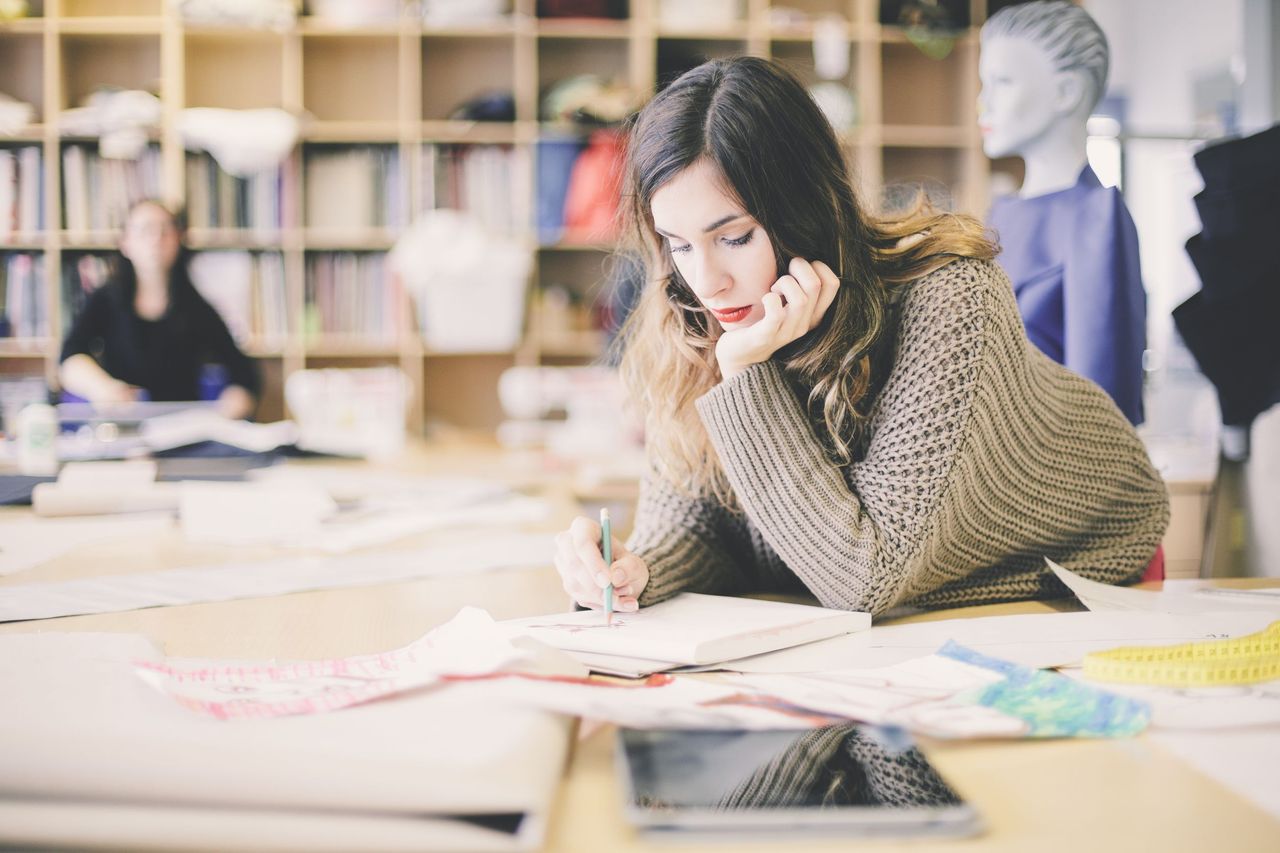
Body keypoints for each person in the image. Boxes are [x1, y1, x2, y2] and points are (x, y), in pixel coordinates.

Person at [553, 56, 1169, 618]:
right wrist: (637, 569)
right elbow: (701, 523)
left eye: (734, 237)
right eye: (679, 244)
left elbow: (863, 579)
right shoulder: (690, 312)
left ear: (804, 210)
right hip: (891, 606)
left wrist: (744, 373)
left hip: (1083, 572)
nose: (706, 280)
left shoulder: (951, 297)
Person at [979, 0, 1147, 425]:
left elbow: (1104, 410)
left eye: (1002, 81)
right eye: (984, 82)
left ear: (1066, 92)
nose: (983, 101)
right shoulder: (1002, 212)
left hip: (1053, 474)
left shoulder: (1095, 217)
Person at [59, 199, 259, 419]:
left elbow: (244, 373)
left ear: (178, 240)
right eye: (145, 230)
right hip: (123, 426)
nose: (156, 239)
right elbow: (70, 357)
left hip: (182, 431)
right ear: (125, 242)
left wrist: (233, 404)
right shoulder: (106, 299)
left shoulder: (196, 307)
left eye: (165, 230)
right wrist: (102, 387)